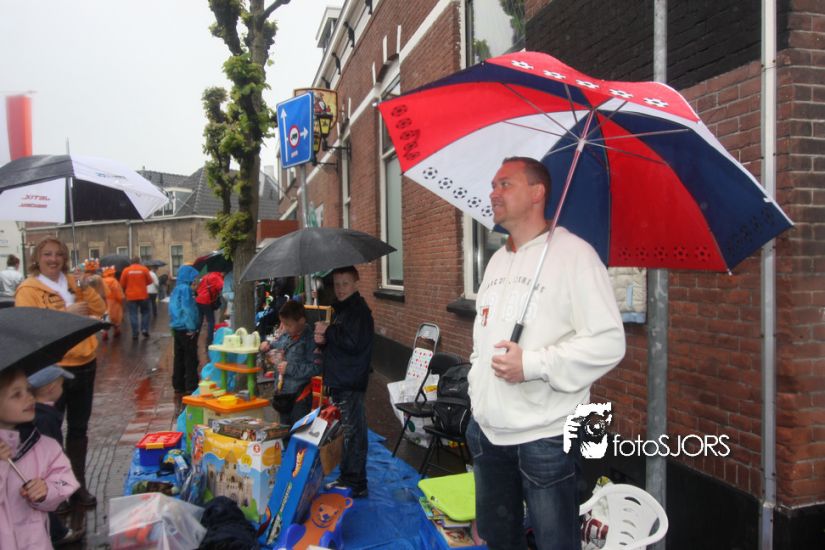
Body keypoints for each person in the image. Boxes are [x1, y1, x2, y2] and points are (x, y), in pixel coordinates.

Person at [465, 157, 626, 550]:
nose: (493, 193)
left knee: (556, 543)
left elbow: (609, 342)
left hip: (545, 438)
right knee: (499, 540)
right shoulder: (496, 261)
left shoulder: (575, 255)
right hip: (488, 434)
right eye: (493, 184)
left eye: (505, 184)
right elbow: (481, 342)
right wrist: (476, 393)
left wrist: (532, 364)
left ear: (537, 193)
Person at [15, 237, 107, 509]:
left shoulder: (72, 283)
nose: (53, 259)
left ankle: (77, 486)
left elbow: (99, 309)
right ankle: (54, 490)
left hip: (85, 364)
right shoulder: (28, 289)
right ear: (37, 258)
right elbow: (27, 325)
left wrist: (85, 288)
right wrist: (67, 312)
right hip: (51, 369)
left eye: (58, 254)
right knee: (48, 431)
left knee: (79, 430)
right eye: (47, 254)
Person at [0, 366, 80, 549]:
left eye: (28, 389)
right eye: (16, 394)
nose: (29, 397)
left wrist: (47, 490)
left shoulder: (43, 445)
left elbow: (65, 480)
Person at [315, 266, 374, 498]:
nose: (340, 289)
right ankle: (348, 476)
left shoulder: (357, 311)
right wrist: (323, 341)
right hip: (342, 378)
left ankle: (355, 482)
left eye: (345, 284)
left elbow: (353, 343)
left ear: (356, 283)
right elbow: (341, 344)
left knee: (353, 432)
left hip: (349, 380)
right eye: (337, 284)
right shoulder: (343, 309)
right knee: (348, 430)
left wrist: (329, 331)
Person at [28, 365, 84, 546]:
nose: (62, 388)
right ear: (51, 388)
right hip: (41, 474)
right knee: (43, 502)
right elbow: (51, 449)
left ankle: (56, 531)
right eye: (61, 384)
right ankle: (57, 533)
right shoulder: (45, 418)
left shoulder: (39, 413)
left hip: (38, 473)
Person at [260, 300, 320, 427]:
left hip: (300, 396)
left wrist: (290, 368)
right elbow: (277, 345)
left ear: (301, 321)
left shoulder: (310, 340)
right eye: (283, 323)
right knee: (283, 430)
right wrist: (267, 346)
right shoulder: (286, 335)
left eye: (288, 325)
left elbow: (316, 368)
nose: (285, 328)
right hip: (282, 394)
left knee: (298, 431)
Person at [169, 265, 200, 415]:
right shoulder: (186, 290)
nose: (195, 281)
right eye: (194, 278)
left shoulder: (176, 289)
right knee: (190, 359)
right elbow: (188, 310)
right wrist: (192, 327)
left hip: (177, 328)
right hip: (186, 329)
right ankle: (191, 388)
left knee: (178, 359)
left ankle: (178, 389)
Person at [120, 257, 153, 340]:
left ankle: (135, 333)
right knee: (145, 312)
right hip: (143, 295)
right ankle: (144, 329)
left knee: (133, 314)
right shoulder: (144, 269)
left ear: (131, 262)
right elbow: (150, 281)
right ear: (139, 261)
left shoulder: (126, 270)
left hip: (131, 296)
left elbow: (122, 283)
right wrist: (142, 283)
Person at [195, 270, 224, 351]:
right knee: (211, 321)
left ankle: (194, 339)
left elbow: (199, 287)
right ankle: (209, 341)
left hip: (199, 300)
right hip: (206, 301)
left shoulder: (206, 276)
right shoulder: (217, 277)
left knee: (199, 321)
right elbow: (221, 287)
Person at [101, 265, 125, 340]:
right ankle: (116, 330)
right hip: (114, 302)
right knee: (115, 317)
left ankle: (105, 332)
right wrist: (121, 300)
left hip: (103, 301)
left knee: (105, 316)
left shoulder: (101, 280)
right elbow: (118, 292)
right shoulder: (114, 281)